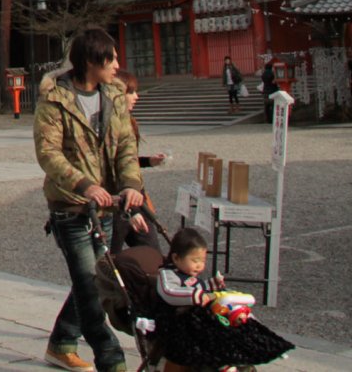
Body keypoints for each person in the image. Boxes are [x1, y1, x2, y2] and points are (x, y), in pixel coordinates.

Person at [34, 26, 144, 372]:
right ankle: (111, 359)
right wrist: (83, 185)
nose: (116, 65)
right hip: (71, 206)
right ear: (90, 61)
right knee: (88, 283)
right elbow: (48, 152)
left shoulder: (113, 95)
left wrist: (130, 184)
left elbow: (126, 144)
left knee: (97, 281)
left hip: (108, 205)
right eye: (110, 58)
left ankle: (62, 342)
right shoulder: (54, 100)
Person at [154, 227, 293, 372]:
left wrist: (213, 285)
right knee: (214, 331)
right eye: (195, 260)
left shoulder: (189, 275)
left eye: (202, 261)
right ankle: (225, 362)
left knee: (235, 317)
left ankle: (256, 347)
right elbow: (170, 293)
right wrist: (198, 296)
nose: (200, 265)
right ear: (176, 258)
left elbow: (202, 286)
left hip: (197, 319)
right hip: (178, 322)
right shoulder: (167, 274)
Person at [115, 70, 166, 251]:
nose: (136, 97)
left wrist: (148, 161)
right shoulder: (109, 127)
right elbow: (114, 167)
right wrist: (133, 212)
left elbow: (127, 161)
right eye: (130, 92)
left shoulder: (129, 122)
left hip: (135, 197)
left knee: (151, 256)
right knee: (111, 262)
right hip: (119, 202)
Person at [260, 59, 279, 123]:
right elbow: (274, 82)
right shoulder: (272, 74)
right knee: (273, 106)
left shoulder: (263, 74)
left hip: (265, 92)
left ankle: (267, 119)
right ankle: (273, 119)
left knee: (266, 107)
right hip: (272, 91)